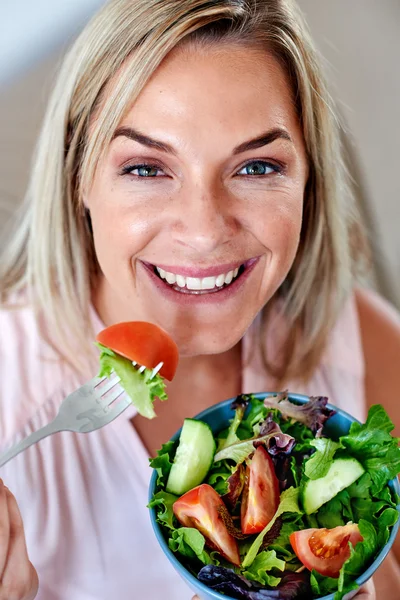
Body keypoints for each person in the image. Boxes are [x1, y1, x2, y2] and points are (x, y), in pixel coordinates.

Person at [0, 0, 399, 598]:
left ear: (309, 176)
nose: (205, 229)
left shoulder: (369, 349)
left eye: (258, 167)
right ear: (78, 174)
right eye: (145, 169)